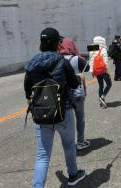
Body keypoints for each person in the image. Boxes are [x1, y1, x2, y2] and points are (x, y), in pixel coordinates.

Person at [24, 28, 86, 187]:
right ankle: (73, 174)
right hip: (63, 112)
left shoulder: (31, 64)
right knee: (69, 145)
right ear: (57, 43)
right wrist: (79, 79)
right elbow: (73, 84)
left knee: (43, 155)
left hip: (41, 114)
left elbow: (27, 90)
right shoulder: (61, 61)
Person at [58, 38, 91, 151]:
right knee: (80, 118)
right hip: (77, 93)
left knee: (67, 120)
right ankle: (80, 141)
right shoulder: (77, 59)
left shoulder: (58, 58)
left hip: (64, 94)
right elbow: (88, 67)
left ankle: (69, 143)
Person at [89, 36, 112, 109]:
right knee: (109, 84)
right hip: (103, 70)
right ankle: (102, 97)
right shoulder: (103, 49)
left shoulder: (92, 49)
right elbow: (105, 62)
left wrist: (92, 71)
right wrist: (108, 71)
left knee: (101, 86)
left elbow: (91, 61)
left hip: (96, 71)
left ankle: (102, 103)